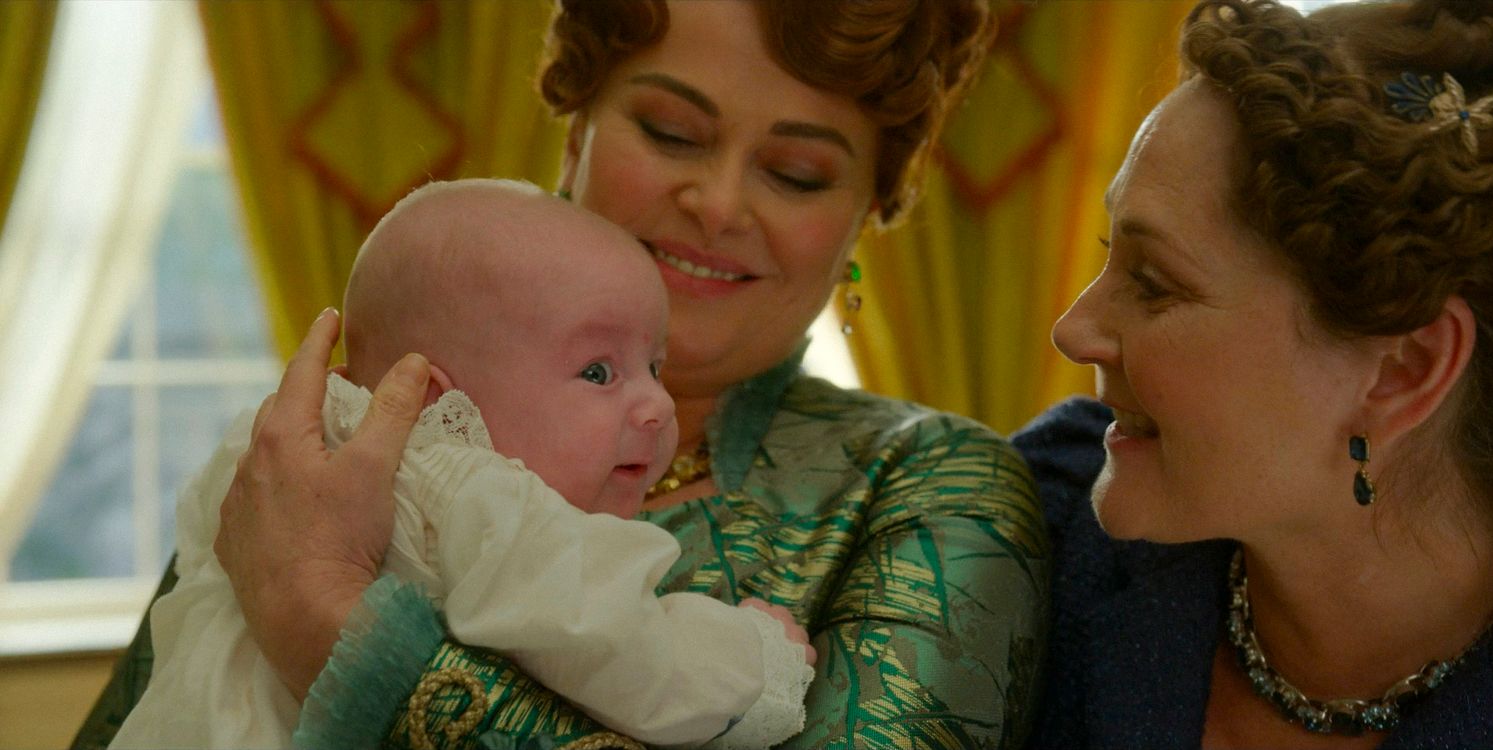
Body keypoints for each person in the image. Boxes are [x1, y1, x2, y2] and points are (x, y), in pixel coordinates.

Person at [75, 2, 1046, 749]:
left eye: (794, 173)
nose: (714, 203)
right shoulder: (354, 429)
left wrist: (328, 622)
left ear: (867, 211)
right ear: (576, 127)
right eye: (670, 131)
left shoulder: (927, 490)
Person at [106, 179, 816, 750]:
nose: (657, 404)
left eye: (652, 365)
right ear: (434, 400)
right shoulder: (478, 494)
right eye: (600, 372)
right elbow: (623, 647)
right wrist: (757, 658)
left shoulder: (268, 454)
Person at [1015, 0, 1493, 747]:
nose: (1073, 330)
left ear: (1404, 371)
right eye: (1111, 250)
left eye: (1153, 282)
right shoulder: (1021, 535)